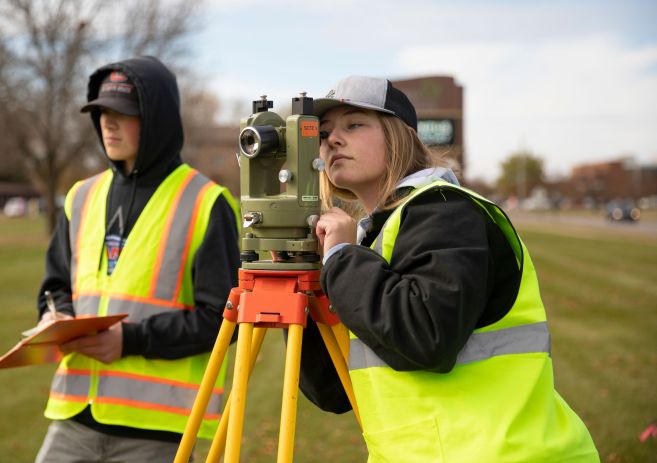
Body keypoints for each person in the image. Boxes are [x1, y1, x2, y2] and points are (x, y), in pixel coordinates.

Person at [296, 75, 600, 462]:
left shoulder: (445, 210)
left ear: (399, 135)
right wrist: (307, 286)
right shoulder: (375, 237)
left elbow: (425, 337)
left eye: (354, 124)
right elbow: (332, 390)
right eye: (324, 133)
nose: (332, 140)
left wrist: (341, 259)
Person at [34, 56, 240, 462]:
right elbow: (56, 287)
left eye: (123, 114)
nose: (108, 124)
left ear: (157, 120)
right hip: (73, 418)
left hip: (157, 431)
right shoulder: (81, 196)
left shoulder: (207, 202)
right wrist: (55, 317)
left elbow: (223, 319)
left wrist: (129, 340)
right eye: (102, 113)